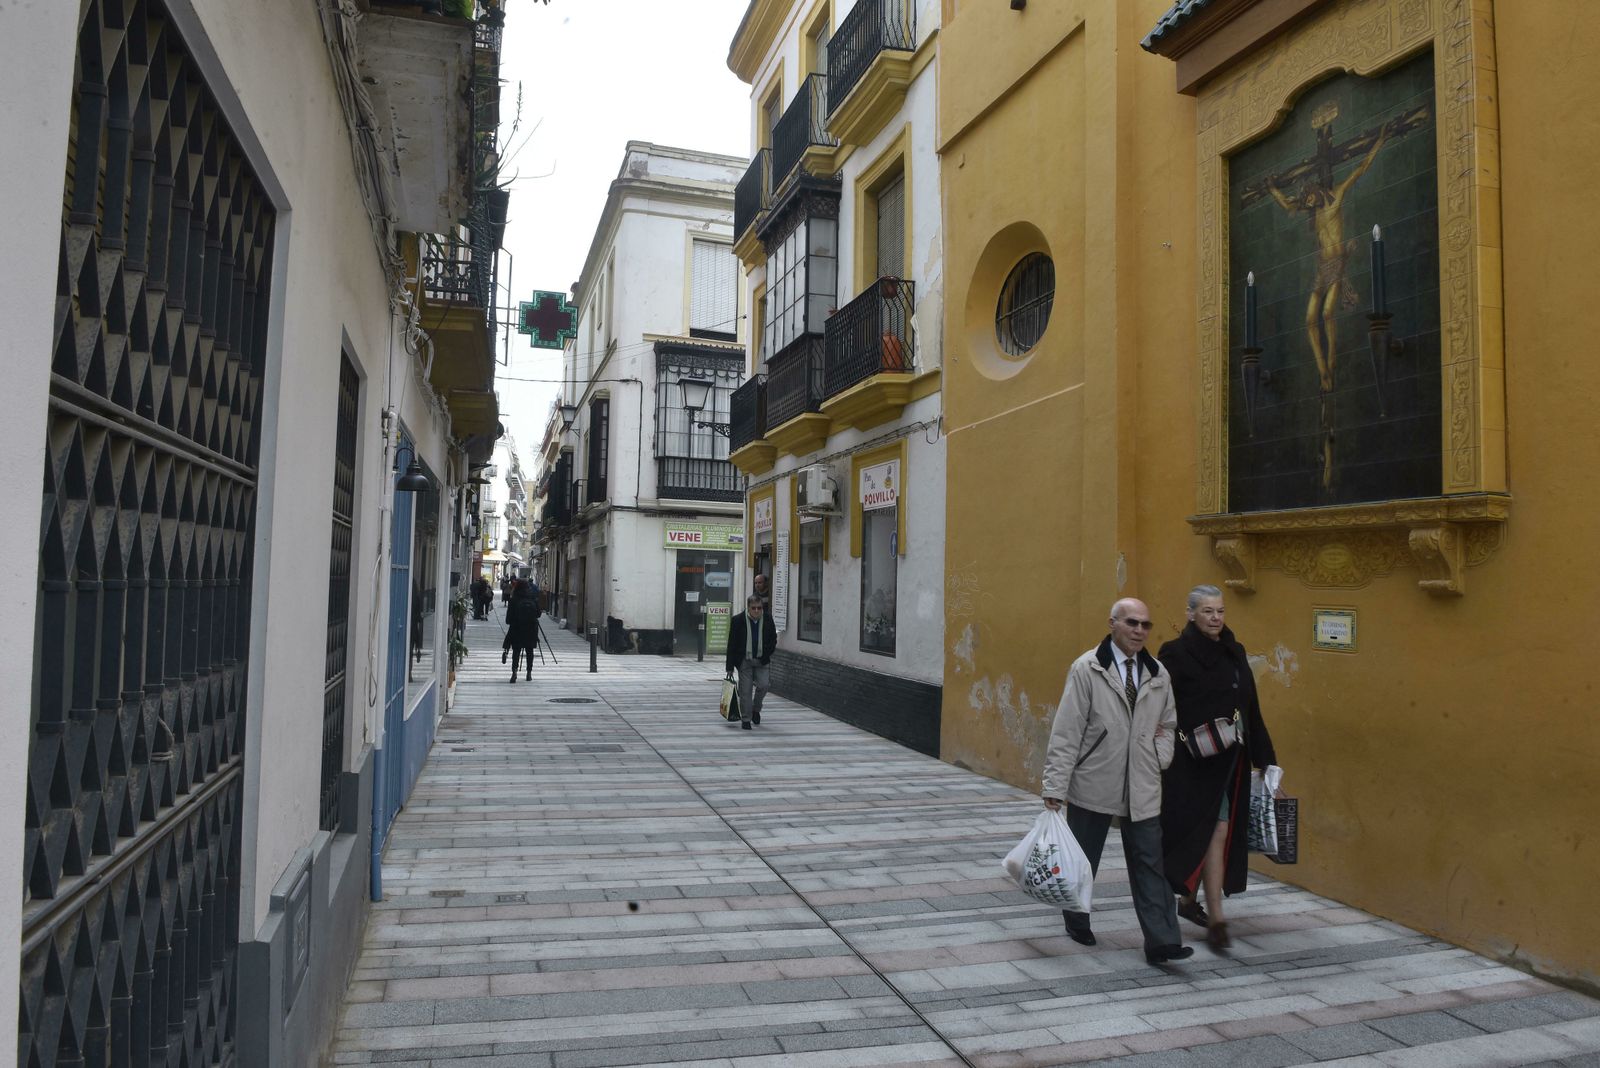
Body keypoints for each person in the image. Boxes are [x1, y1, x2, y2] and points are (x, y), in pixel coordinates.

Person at [1041, 598, 1191, 965]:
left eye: (1145, 625)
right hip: (1095, 779)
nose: (1140, 631)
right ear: (1112, 623)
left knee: (1150, 863)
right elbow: (1067, 730)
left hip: (1143, 783)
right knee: (1083, 859)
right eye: (1132, 623)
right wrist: (1055, 787)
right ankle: (1077, 919)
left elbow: (1168, 724)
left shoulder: (1157, 673)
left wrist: (1161, 757)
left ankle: (1163, 941)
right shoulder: (1088, 668)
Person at [1158, 584, 1279, 952]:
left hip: (1231, 762)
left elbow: (1251, 708)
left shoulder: (1234, 652)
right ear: (1191, 613)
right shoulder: (1174, 654)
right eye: (1208, 611)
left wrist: (1267, 761)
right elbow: (1162, 709)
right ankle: (1205, 911)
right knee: (1207, 831)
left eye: (1220, 611)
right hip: (1191, 764)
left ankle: (1205, 910)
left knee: (1218, 831)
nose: (1216, 618)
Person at [724, 594, 776, 731]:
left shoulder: (768, 619)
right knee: (745, 691)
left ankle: (756, 709)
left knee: (764, 685)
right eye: (754, 608)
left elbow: (773, 639)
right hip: (744, 660)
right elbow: (732, 644)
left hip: (762, 660)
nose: (757, 611)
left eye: (759, 608)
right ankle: (746, 719)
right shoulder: (738, 620)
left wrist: (767, 653)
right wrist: (729, 666)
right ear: (748, 608)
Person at [503, 580, 540, 683]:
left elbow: (508, 620)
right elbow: (538, 614)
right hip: (531, 629)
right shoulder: (533, 598)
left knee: (516, 651)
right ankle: (529, 673)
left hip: (517, 628)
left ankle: (514, 672)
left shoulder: (513, 599)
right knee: (530, 651)